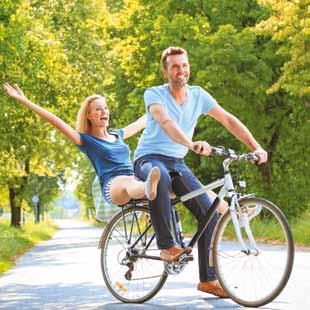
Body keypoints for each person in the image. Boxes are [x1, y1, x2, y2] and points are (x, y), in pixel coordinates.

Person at [133, 47, 268, 298]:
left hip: (177, 161)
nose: (180, 70)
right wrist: (191, 144)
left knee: (210, 212)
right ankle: (167, 246)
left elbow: (228, 120)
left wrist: (256, 147)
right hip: (148, 159)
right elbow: (166, 122)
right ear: (165, 71)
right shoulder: (154, 94)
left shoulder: (198, 96)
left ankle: (208, 279)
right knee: (158, 175)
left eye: (184, 65)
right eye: (174, 66)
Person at [3, 82, 161, 206]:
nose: (104, 112)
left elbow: (142, 121)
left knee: (170, 186)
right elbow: (54, 120)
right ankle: (147, 187)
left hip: (133, 178)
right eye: (98, 109)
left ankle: (171, 242)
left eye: (105, 108)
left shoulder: (117, 135)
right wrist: (24, 101)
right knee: (129, 182)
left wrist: (166, 100)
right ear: (89, 116)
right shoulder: (86, 141)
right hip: (114, 186)